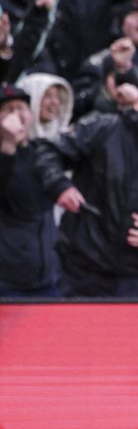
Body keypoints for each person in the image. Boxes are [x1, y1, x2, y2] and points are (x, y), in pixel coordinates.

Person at [33, 74, 138, 297]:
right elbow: (47, 150)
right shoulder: (103, 128)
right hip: (81, 268)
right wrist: (60, 186)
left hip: (135, 277)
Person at [0, 84, 59, 297]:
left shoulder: (42, 152)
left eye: (21, 108)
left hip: (48, 278)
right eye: (8, 109)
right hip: (7, 284)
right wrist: (7, 145)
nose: (16, 115)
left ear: (30, 115)